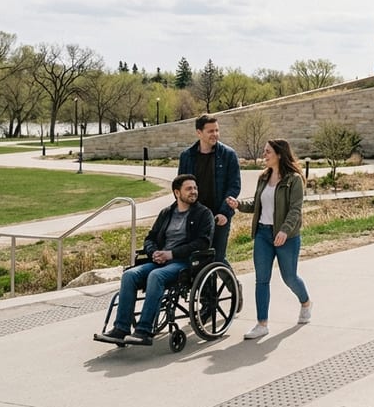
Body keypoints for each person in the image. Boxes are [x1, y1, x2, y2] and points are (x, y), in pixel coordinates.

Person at [95, 174, 214, 345]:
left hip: (184, 263)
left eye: (195, 188)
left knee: (156, 276)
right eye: (189, 189)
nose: (194, 192)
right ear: (177, 192)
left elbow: (203, 242)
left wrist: (171, 254)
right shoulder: (166, 213)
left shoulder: (203, 214)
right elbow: (150, 238)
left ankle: (144, 330)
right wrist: (154, 253)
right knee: (129, 275)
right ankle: (121, 329)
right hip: (159, 261)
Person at [227, 138, 312, 340]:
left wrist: (284, 230)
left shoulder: (294, 180)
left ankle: (306, 303)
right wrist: (238, 204)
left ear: (280, 154)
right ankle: (262, 324)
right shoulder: (263, 178)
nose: (264, 155)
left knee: (289, 277)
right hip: (262, 235)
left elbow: (295, 210)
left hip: (286, 236)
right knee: (261, 280)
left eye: (268, 152)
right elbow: (257, 205)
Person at [178, 114, 241, 263]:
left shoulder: (228, 155)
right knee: (197, 258)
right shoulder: (187, 156)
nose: (215, 134)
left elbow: (234, 186)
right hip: (195, 216)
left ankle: (233, 285)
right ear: (199, 133)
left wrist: (224, 212)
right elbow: (180, 187)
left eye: (217, 130)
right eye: (210, 131)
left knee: (217, 257)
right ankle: (206, 287)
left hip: (219, 215)